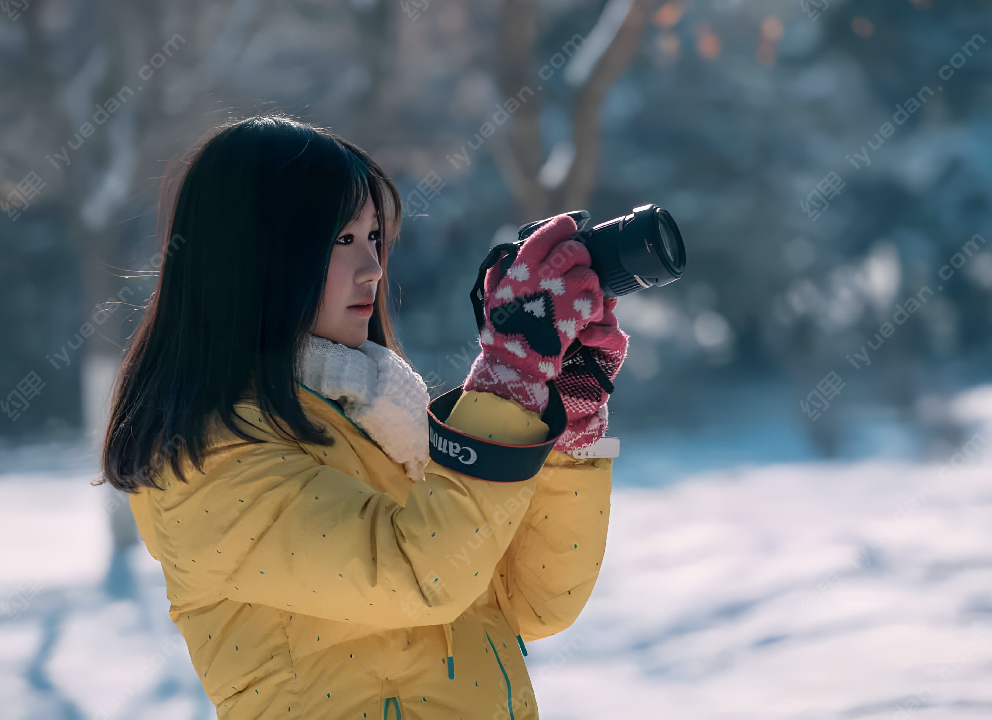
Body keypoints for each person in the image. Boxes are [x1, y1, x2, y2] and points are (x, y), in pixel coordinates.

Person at [97, 115, 630, 720]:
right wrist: (507, 382)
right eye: (339, 239)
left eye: (374, 237)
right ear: (251, 254)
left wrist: (571, 411)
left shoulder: (386, 423)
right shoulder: (205, 461)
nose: (372, 268)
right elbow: (421, 573)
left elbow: (533, 601)